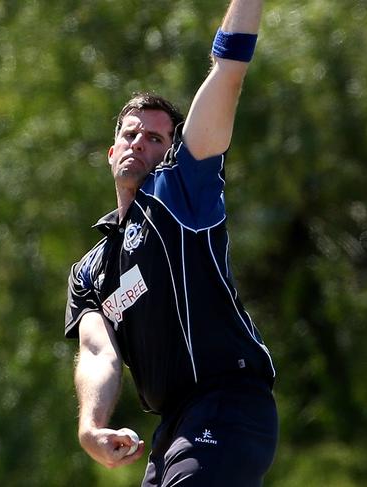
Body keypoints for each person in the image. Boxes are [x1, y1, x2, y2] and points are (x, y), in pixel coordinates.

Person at [64, 1, 277, 485]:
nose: (141, 141)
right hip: (173, 426)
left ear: (175, 150)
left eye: (157, 138)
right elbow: (100, 354)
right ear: (111, 152)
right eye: (131, 133)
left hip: (228, 403)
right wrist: (90, 428)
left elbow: (228, 72)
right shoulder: (90, 270)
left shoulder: (182, 191)